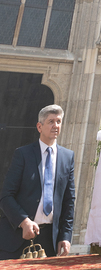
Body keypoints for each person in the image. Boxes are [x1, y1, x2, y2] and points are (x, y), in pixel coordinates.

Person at [0, 104, 75, 259]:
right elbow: (6, 196)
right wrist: (23, 221)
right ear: (39, 127)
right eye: (51, 121)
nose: (56, 126)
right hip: (16, 237)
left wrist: (65, 235)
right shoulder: (23, 154)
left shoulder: (67, 157)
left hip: (49, 241)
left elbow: (69, 200)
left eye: (59, 121)